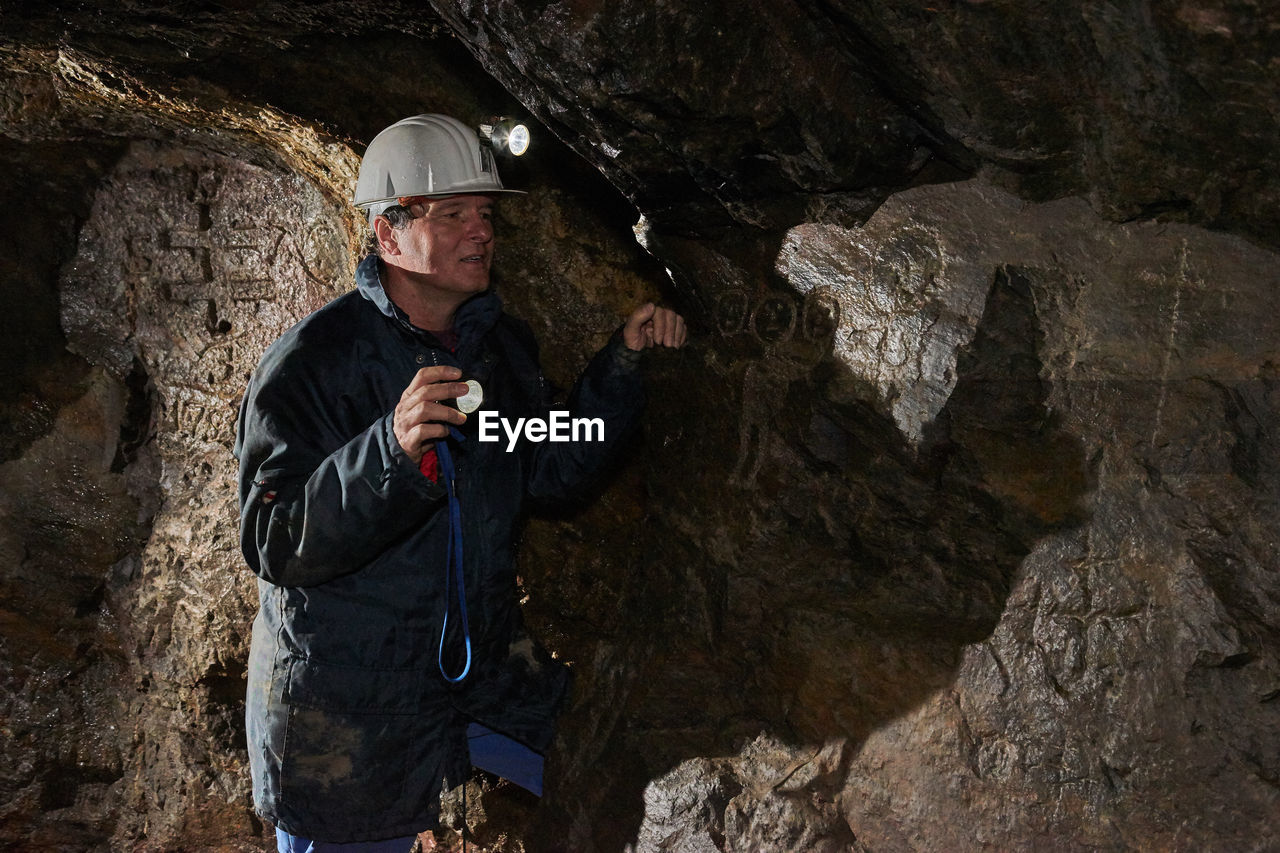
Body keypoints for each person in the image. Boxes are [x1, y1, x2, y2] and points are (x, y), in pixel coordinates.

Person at [234, 113, 687, 851]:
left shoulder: (497, 348)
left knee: (608, 778)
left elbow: (546, 463)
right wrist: (390, 448)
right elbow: (275, 538)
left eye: (484, 213)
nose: (482, 231)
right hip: (351, 702)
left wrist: (621, 369)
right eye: (453, 216)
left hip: (479, 675)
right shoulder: (313, 364)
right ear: (389, 233)